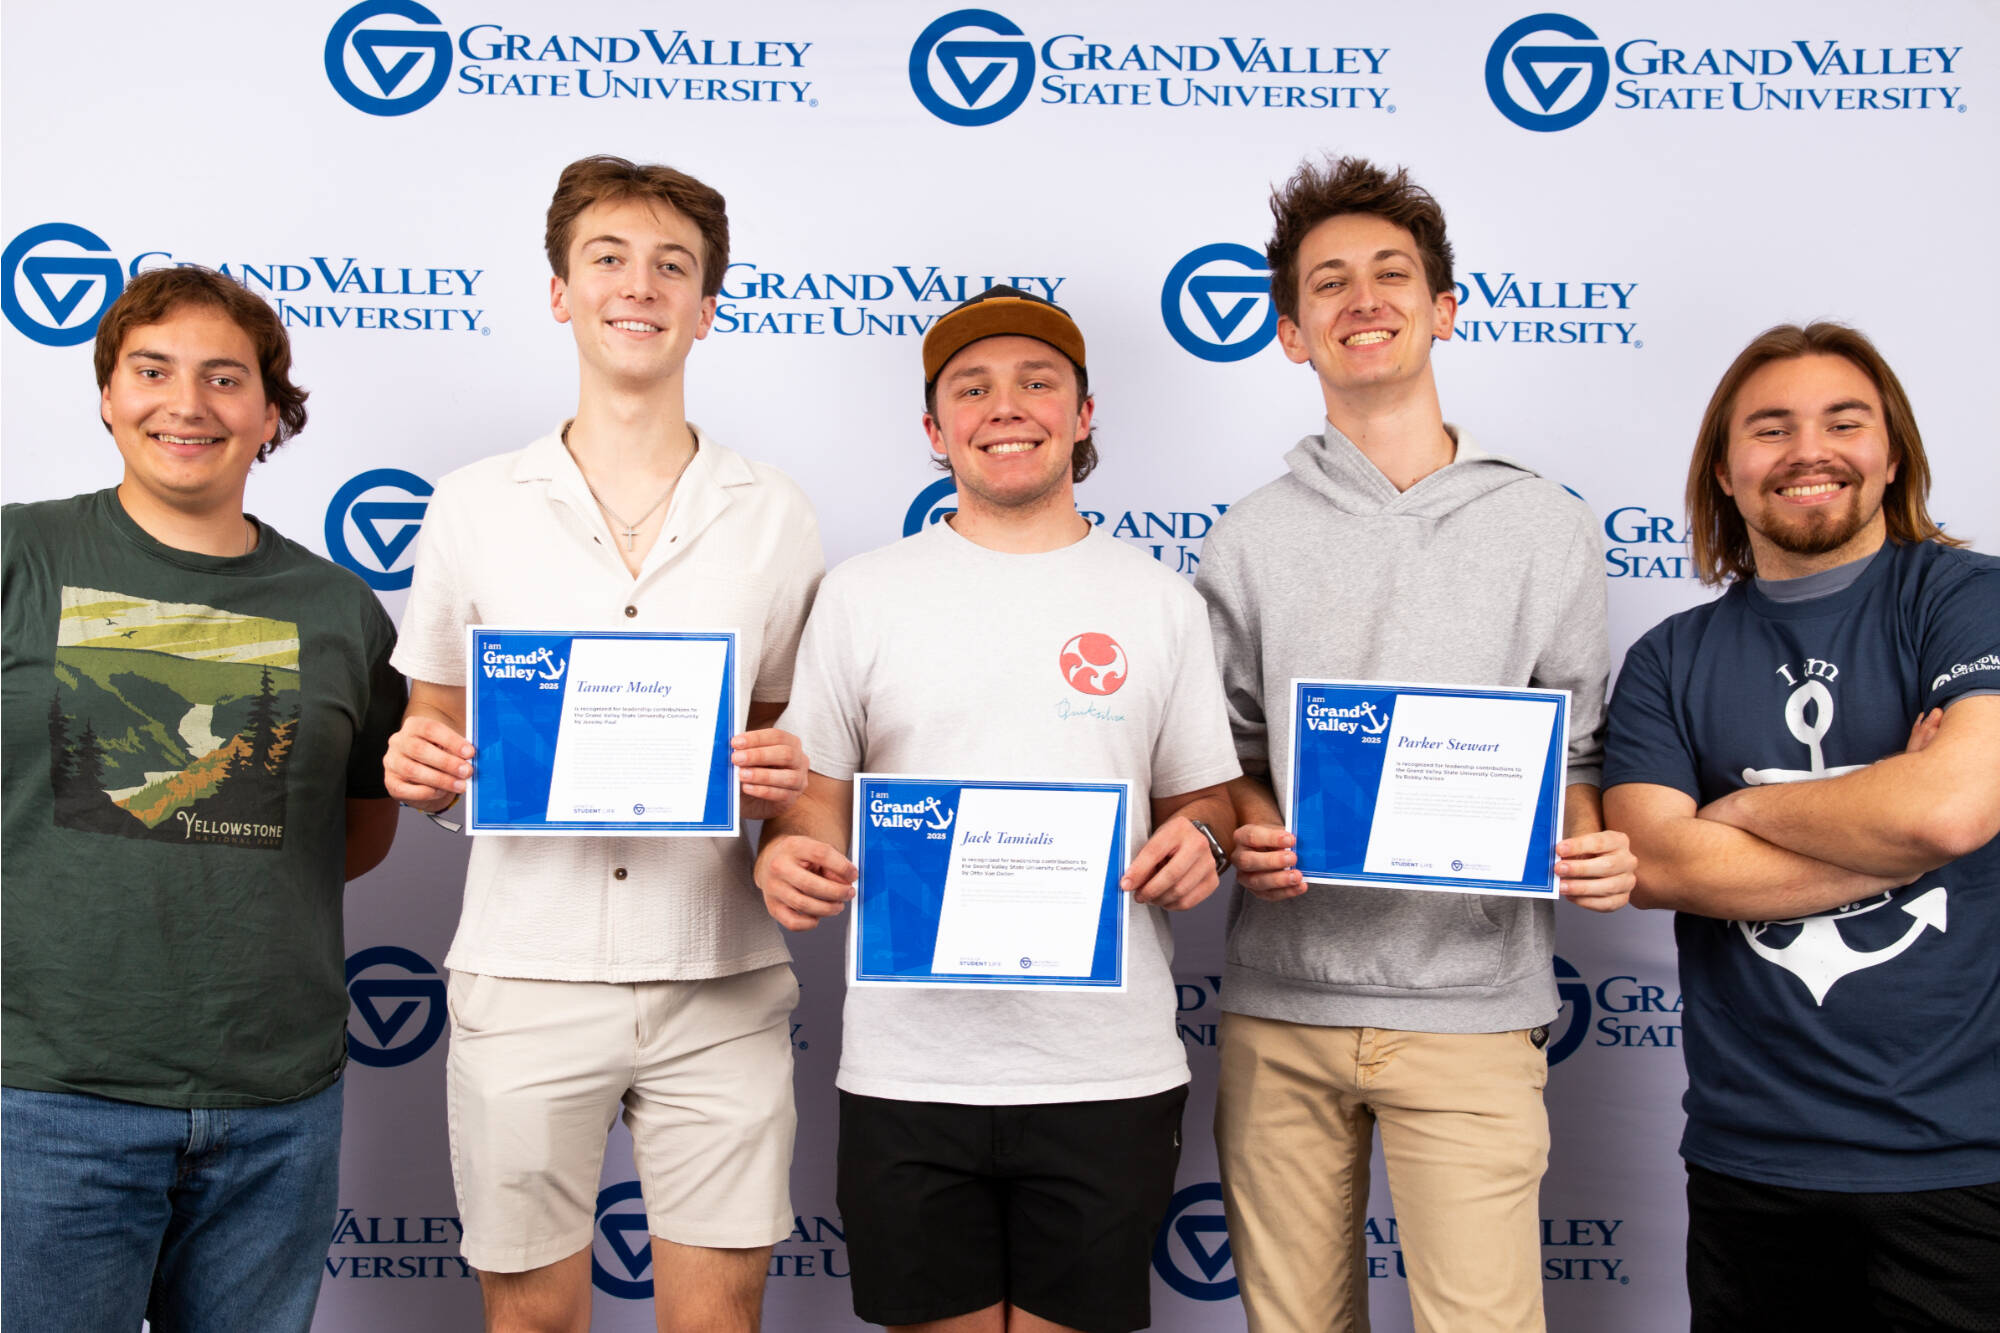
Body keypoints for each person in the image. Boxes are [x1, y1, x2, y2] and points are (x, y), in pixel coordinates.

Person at [1192, 156, 1636, 1333]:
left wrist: (1588, 847)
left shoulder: (1544, 525)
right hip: (1281, 1006)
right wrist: (1249, 829)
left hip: (1475, 1008)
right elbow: (1224, 760)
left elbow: (1576, 757)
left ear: (1442, 309)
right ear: (1291, 333)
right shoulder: (1245, 538)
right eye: (1326, 283)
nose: (1362, 298)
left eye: (1391, 273)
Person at [382, 155, 823, 1333]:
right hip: (525, 972)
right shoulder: (473, 504)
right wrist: (419, 764)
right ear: (559, 291)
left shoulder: (774, 512)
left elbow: (787, 746)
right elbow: (433, 720)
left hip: (719, 972)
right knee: (530, 1318)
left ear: (708, 306)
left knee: (718, 1317)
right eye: (609, 259)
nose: (640, 285)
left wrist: (782, 783)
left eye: (672, 266)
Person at [754, 285, 1241, 1333]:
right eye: (971, 389)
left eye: (1036, 382)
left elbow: (1204, 796)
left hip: (1105, 1068)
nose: (1004, 406)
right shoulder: (862, 593)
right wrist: (789, 853)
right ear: (935, 430)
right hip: (909, 1068)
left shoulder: (1158, 600)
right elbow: (816, 797)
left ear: (1083, 413)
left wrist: (1201, 839)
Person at [1, 265, 404, 1332]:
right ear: (105, 394)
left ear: (270, 415)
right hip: (44, 1097)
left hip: (277, 1108)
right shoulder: (17, 555)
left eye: (225, 379)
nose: (187, 404)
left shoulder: (338, 608)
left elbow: (353, 828)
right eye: (153, 370)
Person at [1602, 322, 2000, 1331]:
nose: (1806, 451)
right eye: (1768, 429)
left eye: (1842, 421)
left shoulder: (1968, 601)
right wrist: (1886, 807)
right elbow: (1652, 857)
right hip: (1747, 1165)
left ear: (1891, 451)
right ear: (1724, 474)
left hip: (1957, 1162)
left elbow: (1954, 806)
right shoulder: (1664, 658)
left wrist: (1734, 806)